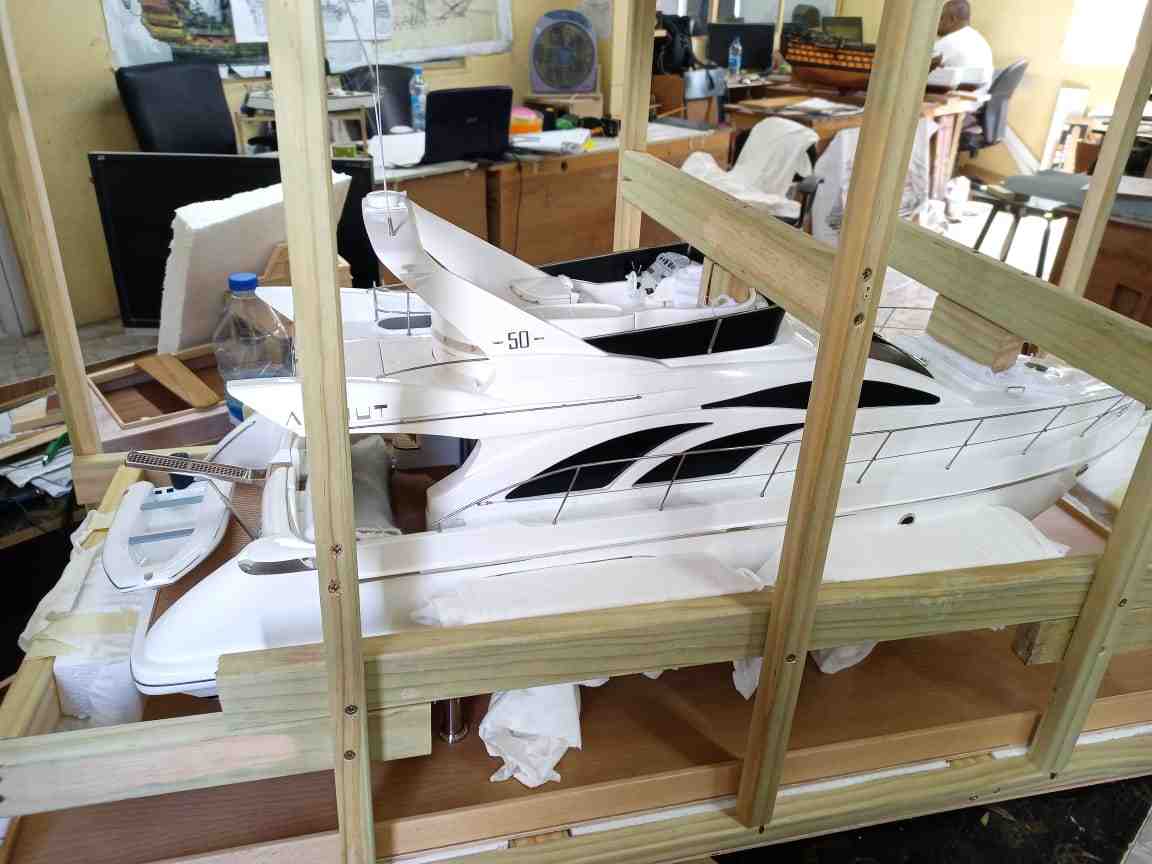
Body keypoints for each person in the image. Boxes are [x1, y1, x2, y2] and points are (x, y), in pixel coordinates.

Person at [934, 0, 994, 90]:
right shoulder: (976, 37)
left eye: (940, 18)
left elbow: (919, 67)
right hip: (979, 95)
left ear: (952, 20)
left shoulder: (950, 41)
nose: (937, 23)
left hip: (961, 96)